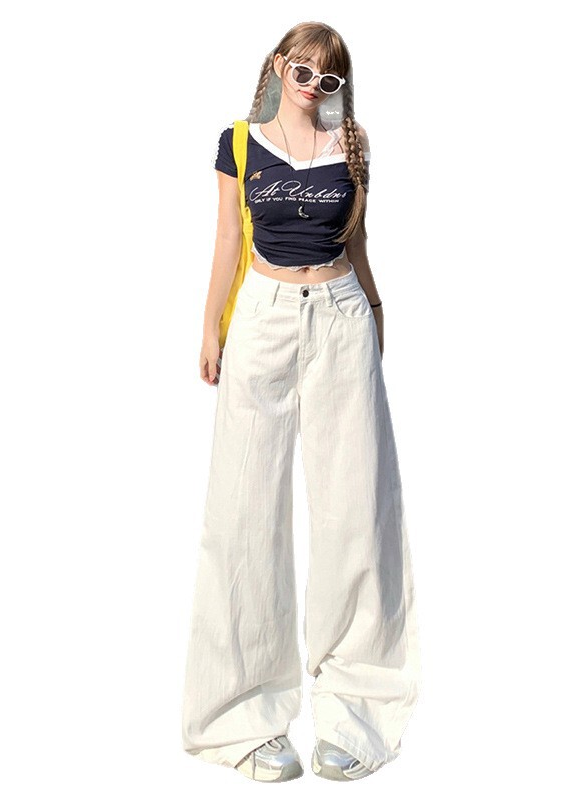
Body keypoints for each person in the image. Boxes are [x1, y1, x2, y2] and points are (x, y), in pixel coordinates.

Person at [181, 21, 421, 782]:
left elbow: (357, 240)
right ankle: (242, 716)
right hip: (264, 316)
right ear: (279, 66)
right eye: (303, 69)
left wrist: (376, 311)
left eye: (330, 77)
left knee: (355, 511)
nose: (314, 84)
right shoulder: (239, 143)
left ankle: (356, 712)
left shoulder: (353, 143)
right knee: (245, 512)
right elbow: (227, 238)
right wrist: (211, 327)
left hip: (342, 314)